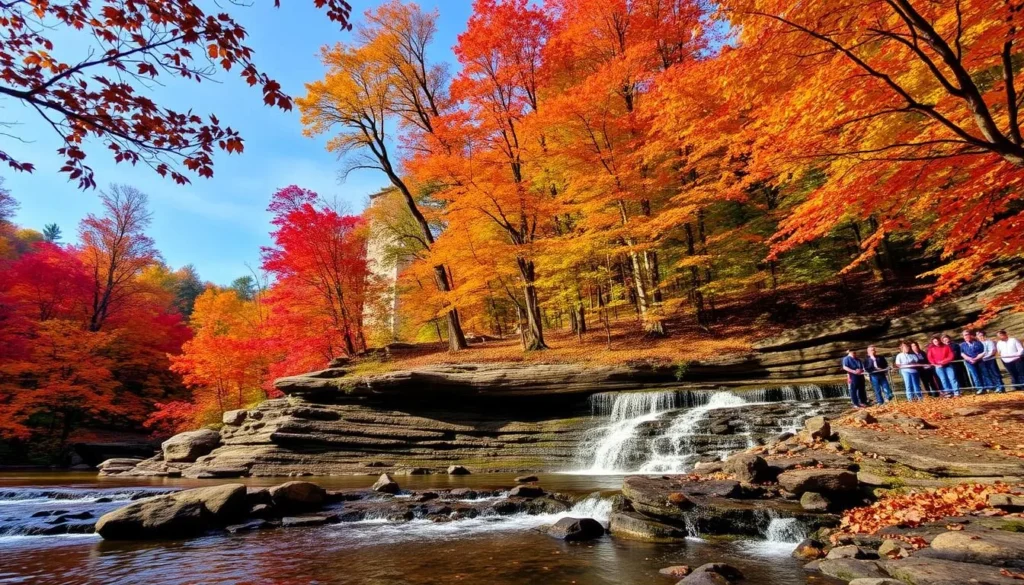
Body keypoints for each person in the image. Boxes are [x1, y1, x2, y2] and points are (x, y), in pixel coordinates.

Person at [959, 329, 990, 394]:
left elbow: (983, 352)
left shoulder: (978, 343)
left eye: (967, 335)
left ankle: (988, 388)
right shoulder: (962, 345)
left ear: (970, 335)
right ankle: (980, 388)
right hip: (970, 363)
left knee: (984, 374)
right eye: (965, 335)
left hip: (979, 361)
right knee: (975, 376)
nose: (966, 336)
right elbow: (962, 353)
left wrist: (976, 359)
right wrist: (968, 358)